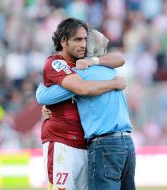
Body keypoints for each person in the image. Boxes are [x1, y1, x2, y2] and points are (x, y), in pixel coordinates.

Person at [36, 21, 136, 190]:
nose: (82, 44)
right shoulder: (57, 63)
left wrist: (94, 61)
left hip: (86, 144)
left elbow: (120, 58)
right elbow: (81, 88)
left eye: (84, 40)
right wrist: (113, 84)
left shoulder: (87, 65)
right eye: (77, 40)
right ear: (63, 41)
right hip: (62, 144)